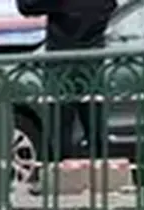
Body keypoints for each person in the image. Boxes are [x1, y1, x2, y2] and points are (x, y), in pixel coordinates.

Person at [14, 0, 115, 161]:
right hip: (93, 64)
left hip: (61, 65)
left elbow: (27, 6)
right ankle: (100, 176)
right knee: (96, 130)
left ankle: (62, 176)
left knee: (60, 130)